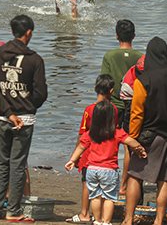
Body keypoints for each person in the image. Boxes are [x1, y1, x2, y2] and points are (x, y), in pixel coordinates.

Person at [0, 15, 47, 222]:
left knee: (2, 163)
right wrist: (26, 108)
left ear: (13, 32)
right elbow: (41, 93)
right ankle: (13, 210)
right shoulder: (34, 59)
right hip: (24, 120)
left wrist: (8, 112)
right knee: (18, 165)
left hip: (2, 118)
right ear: (28, 33)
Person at [122, 37, 167, 225]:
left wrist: (133, 139)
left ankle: (129, 219)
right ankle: (158, 221)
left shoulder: (143, 80)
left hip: (148, 137)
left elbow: (137, 113)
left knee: (134, 176)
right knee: (163, 180)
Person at [65, 100, 147, 225]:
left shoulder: (90, 134)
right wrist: (140, 149)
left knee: (95, 196)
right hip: (109, 170)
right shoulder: (117, 133)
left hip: (92, 169)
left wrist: (72, 160)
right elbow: (131, 141)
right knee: (109, 198)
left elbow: (81, 147)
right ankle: (106, 222)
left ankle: (97, 221)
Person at [66, 74, 118, 224]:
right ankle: (100, 216)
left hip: (89, 153)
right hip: (107, 154)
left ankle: (85, 213)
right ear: (111, 91)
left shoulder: (89, 109)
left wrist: (75, 156)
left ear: (95, 88)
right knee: (105, 187)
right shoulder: (113, 109)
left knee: (88, 185)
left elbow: (82, 134)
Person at [101, 19, 142, 194]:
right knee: (128, 146)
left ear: (116, 36)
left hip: (114, 105)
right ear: (134, 36)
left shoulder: (109, 56)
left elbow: (104, 83)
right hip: (133, 106)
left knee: (110, 144)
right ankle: (125, 185)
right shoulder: (140, 56)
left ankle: (108, 181)